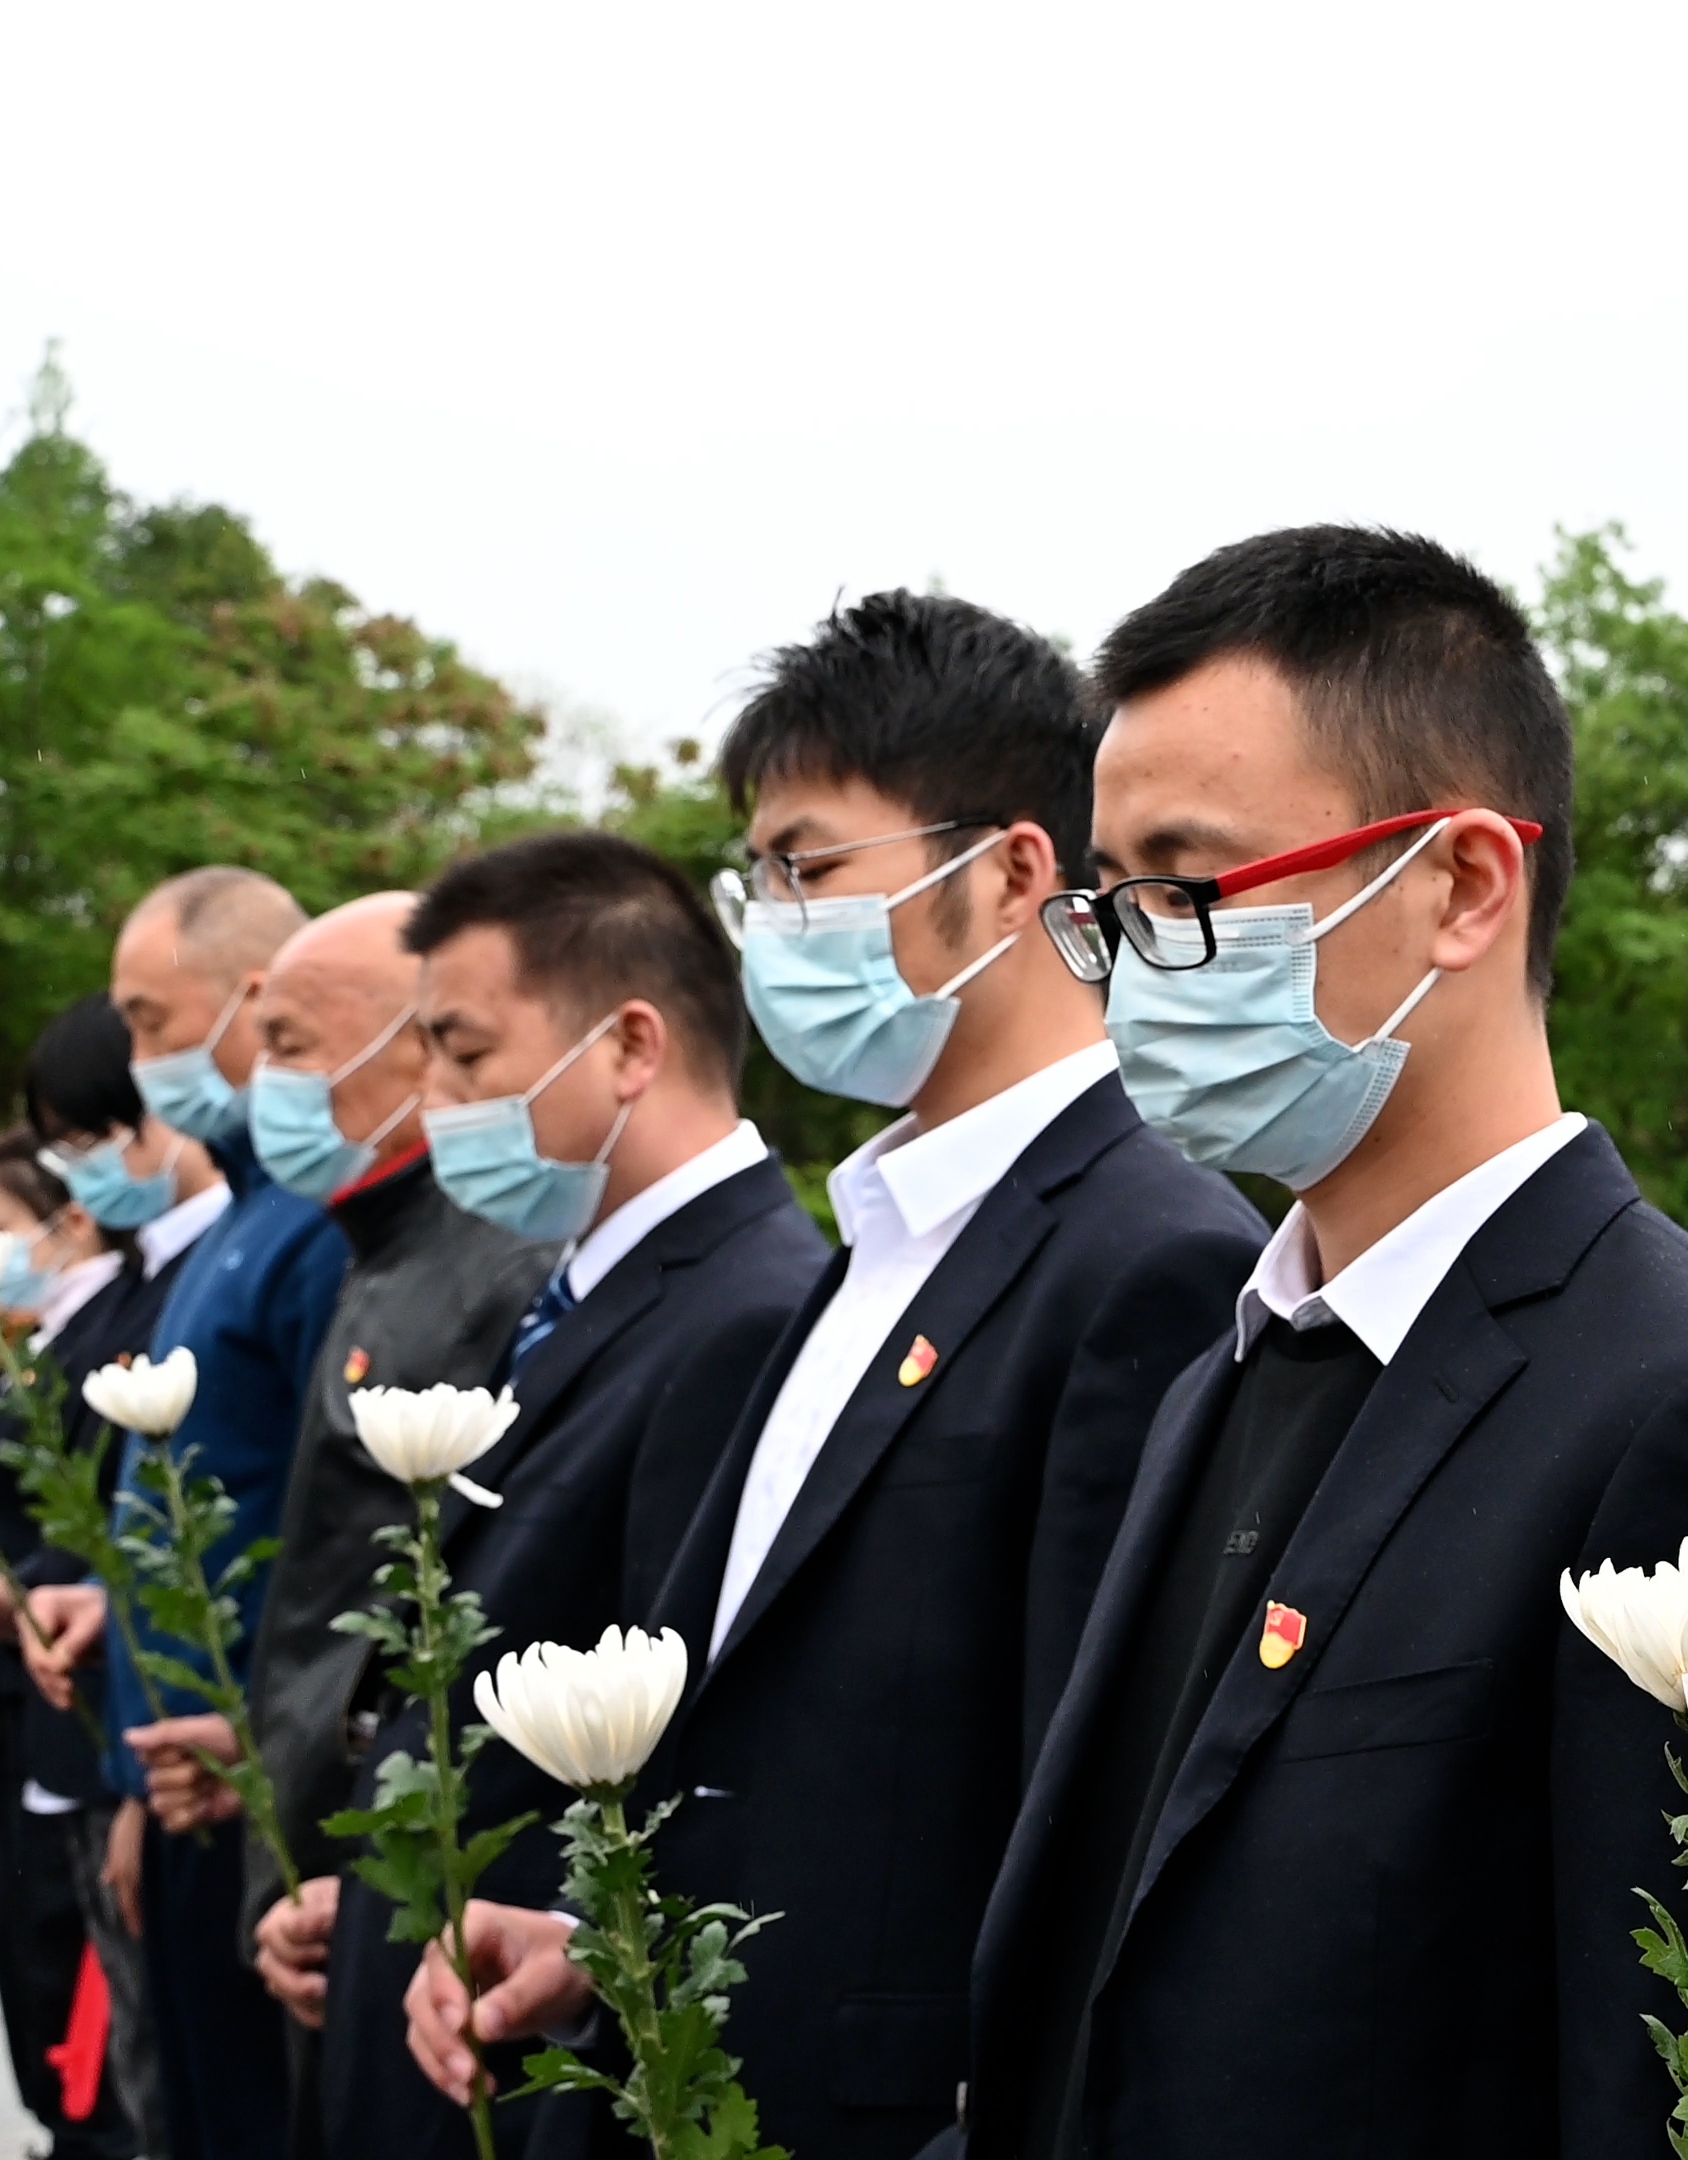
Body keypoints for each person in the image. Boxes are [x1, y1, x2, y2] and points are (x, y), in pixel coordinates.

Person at [935, 528, 1688, 2159]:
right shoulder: (1228, 1367)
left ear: (1460, 885)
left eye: (1187, 886)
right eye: (1110, 904)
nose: (1134, 967)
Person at [411, 593, 1265, 2159]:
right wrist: (590, 1942)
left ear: (1013, 872)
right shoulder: (876, 1237)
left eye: (808, 868)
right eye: (756, 876)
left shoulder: (1149, 1256)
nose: (772, 923)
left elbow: (1092, 1825)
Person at [306, 829, 830, 2160]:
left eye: (466, 1054)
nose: (435, 1101)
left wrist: (562, 1947)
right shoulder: (586, 1283)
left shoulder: (745, 1310)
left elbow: (666, 1744)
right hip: (447, 2009)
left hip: (533, 2045)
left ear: (629, 1045)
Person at [212, 893, 557, 2148]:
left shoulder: (501, 1268)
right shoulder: (382, 1247)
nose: (264, 1085)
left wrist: (339, 1871)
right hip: (336, 1880)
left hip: (416, 1896)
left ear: (416, 1050)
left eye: (293, 1045)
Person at [100, 867, 350, 2160]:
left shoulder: (316, 1230)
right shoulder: (241, 1223)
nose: (141, 1061)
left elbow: (325, 1541)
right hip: (178, 1778)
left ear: (254, 999)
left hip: (252, 1789)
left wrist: (262, 1750)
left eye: (153, 1020)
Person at [18, 990, 231, 2160]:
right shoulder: (169, 1272)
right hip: (114, 1732)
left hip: (178, 1749)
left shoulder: (225, 1262)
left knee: (151, 2081)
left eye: (88, 1137)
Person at [0, 1129, 146, 2160]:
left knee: (104, 2015)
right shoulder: (42, 1346)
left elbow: (88, 1531)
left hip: (75, 1704)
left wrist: (26, 1596)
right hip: (39, 1711)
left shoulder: (109, 1337)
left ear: (73, 1220)